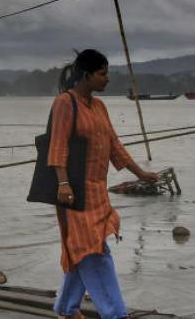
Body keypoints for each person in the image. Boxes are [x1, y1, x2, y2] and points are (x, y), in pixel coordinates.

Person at [48, 49, 159, 319]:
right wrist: (63, 184)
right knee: (94, 252)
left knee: (84, 249)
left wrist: (140, 173)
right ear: (86, 75)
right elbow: (57, 147)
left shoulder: (99, 106)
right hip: (74, 195)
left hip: (98, 193)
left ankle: (66, 307)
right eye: (102, 73)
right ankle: (115, 314)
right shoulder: (65, 103)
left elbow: (114, 145)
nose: (107, 79)